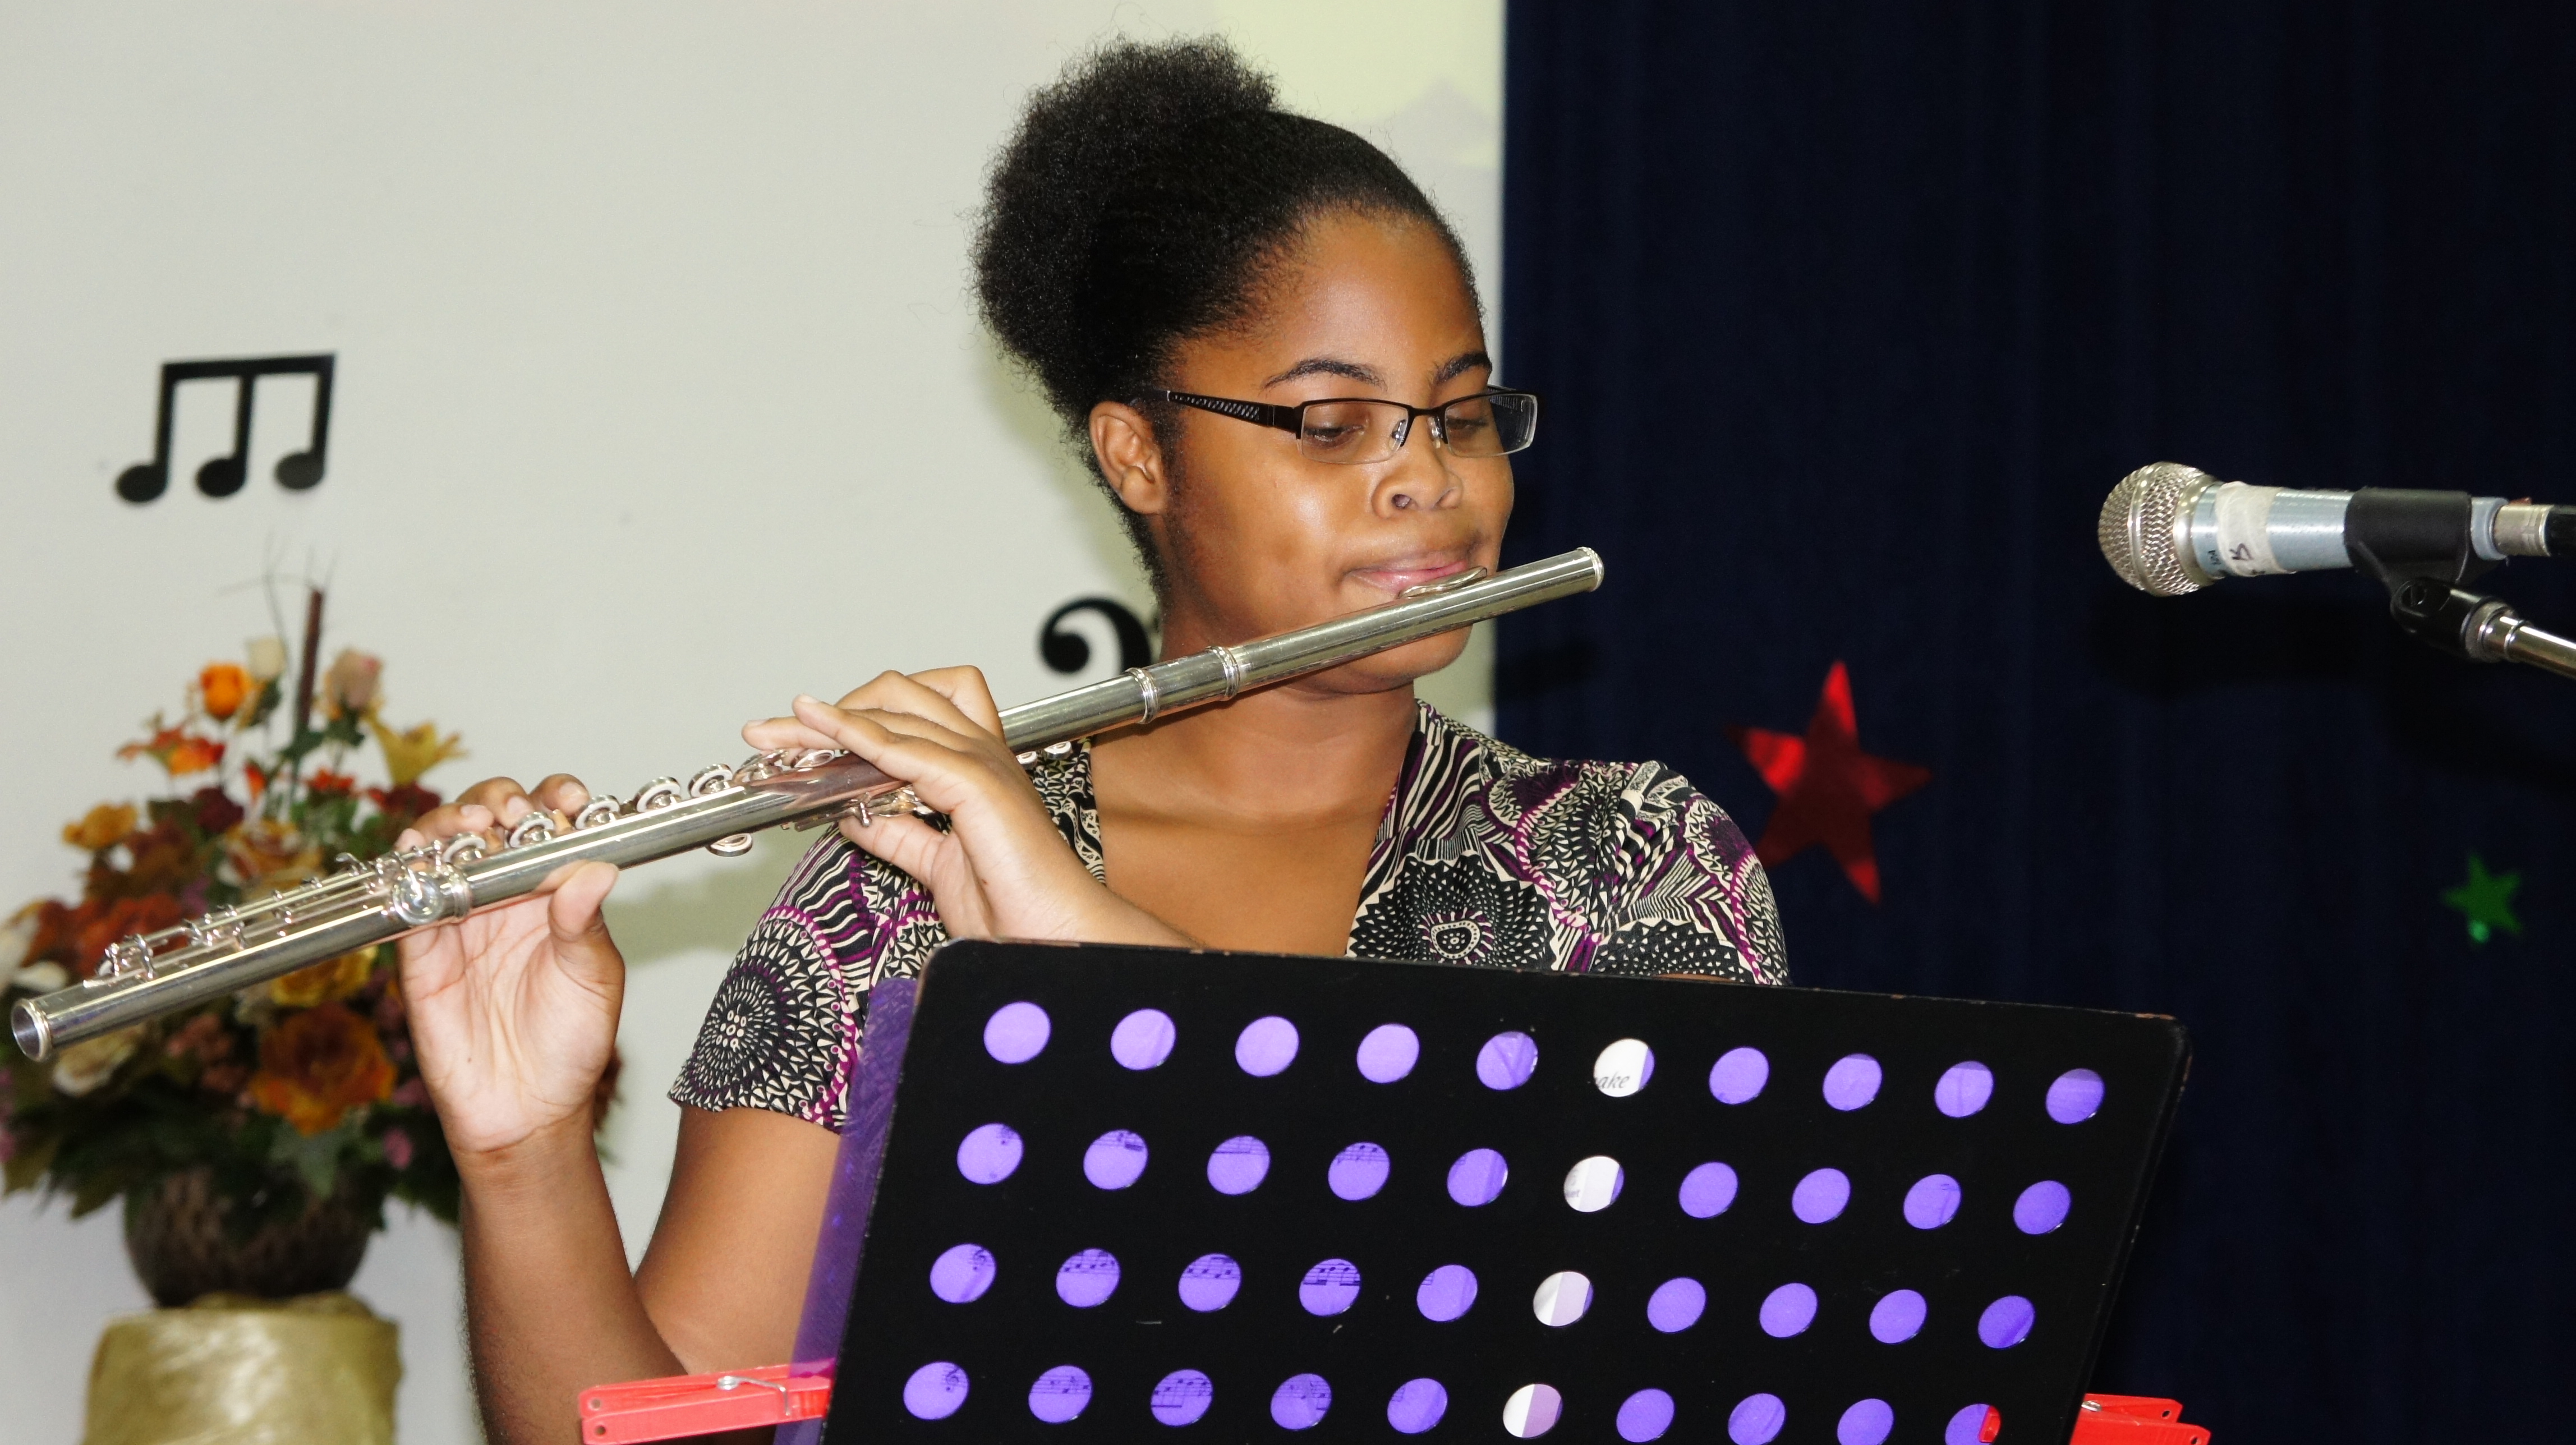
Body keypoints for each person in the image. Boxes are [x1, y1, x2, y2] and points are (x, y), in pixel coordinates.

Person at [396, 37, 1787, 1444]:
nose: (1425, 474)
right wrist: (523, 1148)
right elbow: (654, 1431)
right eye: (1330, 423)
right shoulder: (904, 880)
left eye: (1460, 412)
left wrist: (1093, 952)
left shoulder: (1627, 861)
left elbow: (1652, 1349)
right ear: (1138, 455)